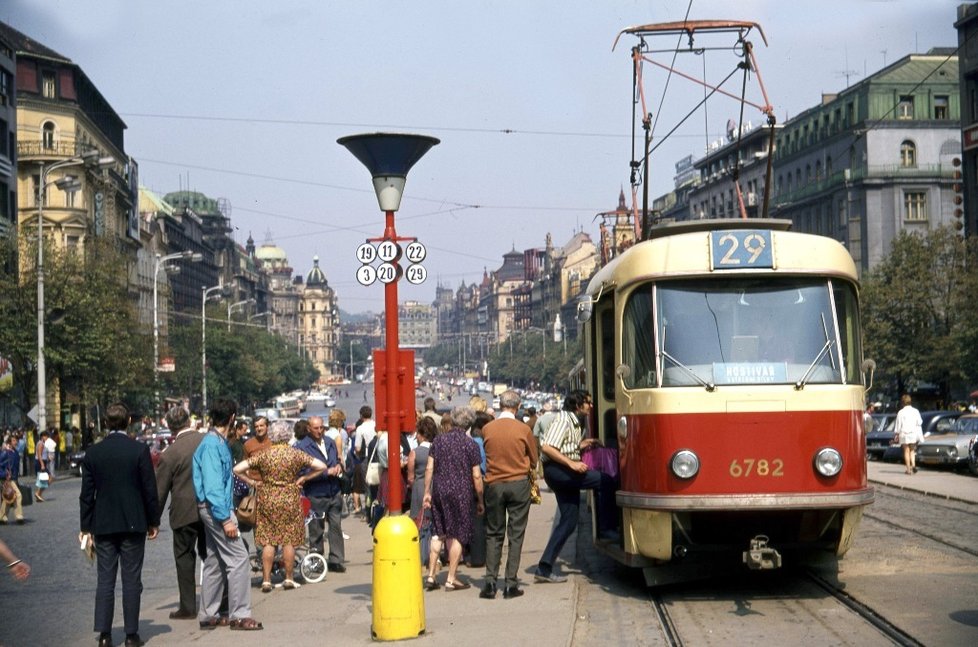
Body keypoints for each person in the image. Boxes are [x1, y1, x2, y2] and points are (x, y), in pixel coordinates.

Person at [79, 402, 160, 647]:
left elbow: (86, 494)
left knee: (105, 579)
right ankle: (131, 634)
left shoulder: (93, 453)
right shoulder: (138, 450)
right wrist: (153, 520)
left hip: (102, 524)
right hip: (134, 523)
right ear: (128, 423)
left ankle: (104, 635)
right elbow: (149, 489)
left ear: (106, 424)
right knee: (131, 579)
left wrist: (85, 527)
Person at [233, 419, 327, 592]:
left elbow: (237, 469)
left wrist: (253, 482)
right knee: (288, 540)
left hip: (268, 498)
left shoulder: (264, 454)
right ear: (286, 435)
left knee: (269, 541)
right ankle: (289, 578)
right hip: (290, 498)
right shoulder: (295, 454)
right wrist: (304, 478)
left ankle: (267, 580)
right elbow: (321, 466)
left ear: (272, 435)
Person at [193, 399, 262, 631]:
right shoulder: (213, 445)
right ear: (232, 418)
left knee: (214, 561)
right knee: (239, 559)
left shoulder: (214, 442)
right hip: (217, 509)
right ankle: (239, 615)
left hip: (212, 508)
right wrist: (225, 519)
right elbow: (213, 486)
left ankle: (208, 614)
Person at [534, 390, 617, 584]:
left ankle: (544, 567)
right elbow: (547, 447)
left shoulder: (572, 422)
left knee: (569, 521)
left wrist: (582, 444)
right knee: (605, 481)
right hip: (561, 472)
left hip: (560, 472)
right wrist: (572, 464)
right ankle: (607, 528)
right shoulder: (563, 420)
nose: (591, 406)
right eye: (588, 402)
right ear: (578, 405)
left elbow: (564, 447)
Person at [480, 390, 538, 600]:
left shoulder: (487, 429)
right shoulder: (523, 429)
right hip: (518, 483)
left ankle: (489, 582)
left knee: (494, 533)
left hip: (494, 484)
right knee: (516, 534)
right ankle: (510, 583)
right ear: (518, 405)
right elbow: (533, 459)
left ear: (499, 405)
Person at [422, 406, 484, 591]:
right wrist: (480, 499)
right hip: (462, 494)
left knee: (438, 532)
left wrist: (427, 491)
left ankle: (431, 576)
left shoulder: (439, 441)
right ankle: (451, 578)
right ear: (469, 424)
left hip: (440, 491)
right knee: (458, 534)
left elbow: (429, 468)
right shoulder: (470, 444)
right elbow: (476, 475)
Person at [155, 405, 207, 620]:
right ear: (189, 421)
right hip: (210, 508)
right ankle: (220, 600)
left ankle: (188, 606)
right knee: (212, 555)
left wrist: (152, 521)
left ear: (170, 427)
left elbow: (160, 491)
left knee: (184, 557)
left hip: (183, 513)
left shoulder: (170, 454)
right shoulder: (207, 442)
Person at [294, 415, 345, 573]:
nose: (319, 431)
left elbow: (336, 460)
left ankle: (336, 559)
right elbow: (302, 472)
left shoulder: (329, 442)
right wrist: (325, 472)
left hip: (334, 491)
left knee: (336, 526)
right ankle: (317, 560)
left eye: (321, 427)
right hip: (316, 493)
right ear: (309, 429)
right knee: (316, 529)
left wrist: (338, 467)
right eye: (316, 428)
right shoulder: (302, 447)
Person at [408, 417, 437, 518]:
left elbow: (410, 478)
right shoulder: (438, 450)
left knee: (418, 519)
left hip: (419, 487)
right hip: (435, 487)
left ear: (420, 435)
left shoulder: (414, 453)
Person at [894, 394, 924, 475]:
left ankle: (908, 469)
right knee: (912, 450)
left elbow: (898, 425)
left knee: (906, 451)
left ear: (902, 402)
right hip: (913, 433)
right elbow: (920, 422)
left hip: (904, 433)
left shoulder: (901, 412)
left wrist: (896, 434)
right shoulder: (916, 411)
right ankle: (913, 465)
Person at [1, 434, 24, 524]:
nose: (16, 442)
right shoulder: (5, 453)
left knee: (9, 496)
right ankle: (19, 516)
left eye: (16, 440)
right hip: (7, 478)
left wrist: (16, 478)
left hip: (13, 478)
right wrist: (4, 474)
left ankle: (2, 516)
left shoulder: (15, 452)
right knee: (18, 495)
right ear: (9, 442)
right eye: (14, 440)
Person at [33, 430, 53, 502]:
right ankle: (38, 493)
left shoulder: (42, 443)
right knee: (49, 478)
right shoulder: (40, 443)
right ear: (42, 436)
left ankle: (39, 494)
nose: (47, 438)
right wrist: (42, 464)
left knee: (43, 478)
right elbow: (39, 455)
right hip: (40, 462)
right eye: (46, 436)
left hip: (42, 462)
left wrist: (48, 458)